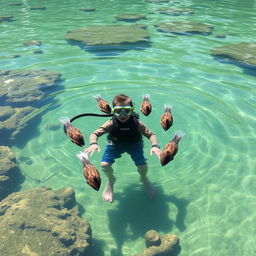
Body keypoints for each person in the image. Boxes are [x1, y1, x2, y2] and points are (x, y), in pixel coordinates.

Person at [85, 94, 162, 203]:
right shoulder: (111, 123)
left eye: (126, 110)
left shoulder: (137, 123)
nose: (123, 115)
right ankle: (110, 180)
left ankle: (144, 178)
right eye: (118, 111)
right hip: (115, 144)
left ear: (132, 110)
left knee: (143, 166)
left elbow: (151, 135)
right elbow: (95, 134)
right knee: (104, 165)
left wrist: (154, 146)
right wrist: (93, 143)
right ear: (113, 111)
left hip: (134, 144)